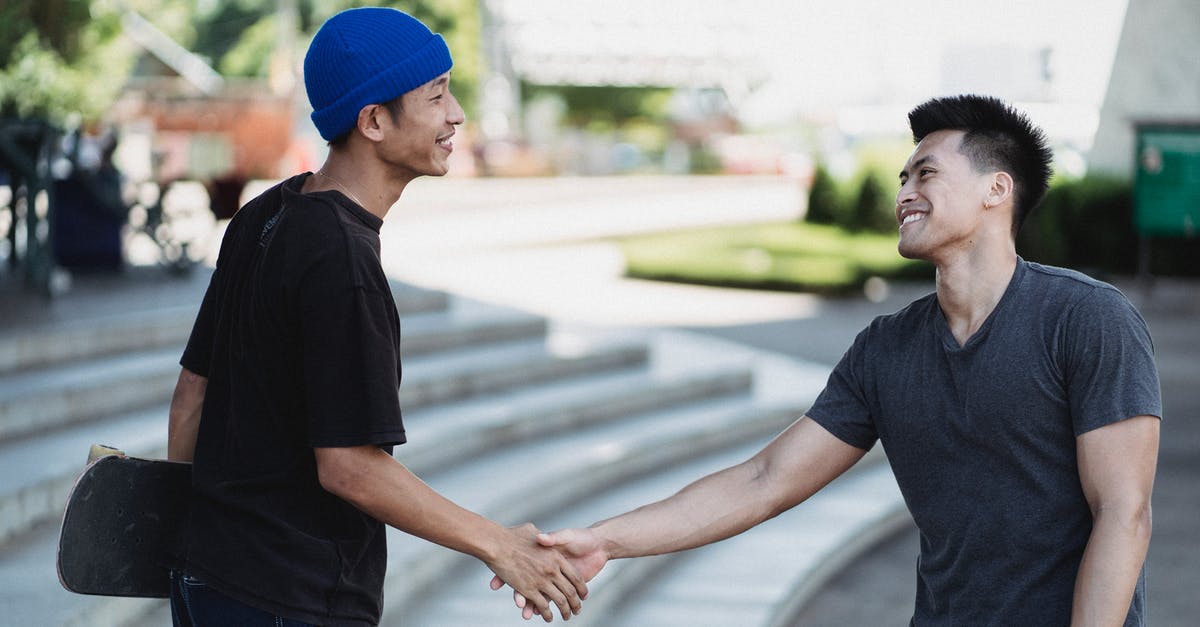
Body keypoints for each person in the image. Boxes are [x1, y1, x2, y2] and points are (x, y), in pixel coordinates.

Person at [500, 95, 1161, 625]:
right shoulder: (887, 348)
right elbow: (764, 478)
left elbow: (1123, 510)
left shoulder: (1086, 320)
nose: (904, 190)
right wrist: (607, 539)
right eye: (903, 176)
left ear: (996, 189)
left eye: (926, 172)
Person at [166, 8, 585, 626]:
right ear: (374, 122)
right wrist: (500, 544)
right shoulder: (343, 262)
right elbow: (349, 468)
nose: (456, 114)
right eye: (436, 96)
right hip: (293, 597)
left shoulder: (265, 214)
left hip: (210, 579)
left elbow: (190, 397)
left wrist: (178, 537)